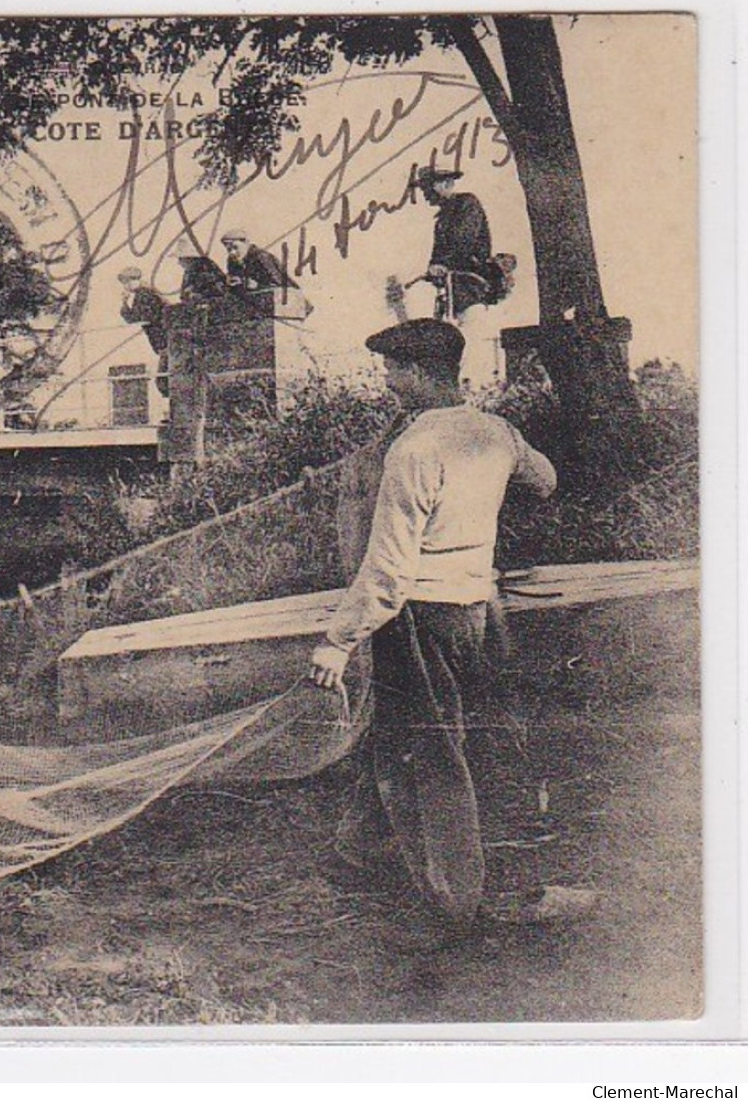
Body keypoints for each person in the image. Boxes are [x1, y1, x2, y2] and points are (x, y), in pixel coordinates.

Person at [308, 318, 556, 941]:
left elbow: (388, 568)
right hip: (474, 607)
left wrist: (339, 641)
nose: (388, 383)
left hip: (417, 616)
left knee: (432, 756)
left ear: (418, 375)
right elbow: (545, 481)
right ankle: (359, 849)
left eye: (393, 371)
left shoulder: (413, 449)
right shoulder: (494, 431)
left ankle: (452, 905)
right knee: (410, 736)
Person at [416, 167, 493, 322]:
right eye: (423, 189)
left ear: (447, 184)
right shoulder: (442, 218)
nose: (425, 194)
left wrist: (443, 264)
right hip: (454, 284)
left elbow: (464, 240)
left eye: (428, 187)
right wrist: (434, 266)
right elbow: (437, 252)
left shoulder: (467, 203)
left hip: (473, 283)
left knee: (469, 325)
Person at [117, 266, 171, 398]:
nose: (125, 286)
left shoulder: (144, 294)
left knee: (164, 381)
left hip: (165, 341)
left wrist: (124, 302)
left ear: (134, 280)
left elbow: (134, 318)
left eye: (126, 282)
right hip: (164, 341)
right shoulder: (147, 292)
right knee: (165, 379)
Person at [221, 229, 297, 292]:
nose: (232, 252)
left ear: (246, 243)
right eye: (229, 249)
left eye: (235, 247)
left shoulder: (261, 257)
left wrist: (258, 286)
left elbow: (281, 285)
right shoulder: (233, 261)